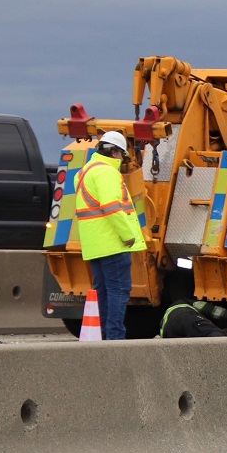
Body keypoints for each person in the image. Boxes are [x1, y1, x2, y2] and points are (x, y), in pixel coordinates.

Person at [73, 130, 146, 340]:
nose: (123, 159)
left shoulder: (84, 171)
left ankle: (104, 336)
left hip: (95, 244)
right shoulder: (106, 172)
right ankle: (115, 338)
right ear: (114, 151)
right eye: (122, 154)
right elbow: (111, 206)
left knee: (104, 291)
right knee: (119, 290)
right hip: (113, 242)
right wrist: (128, 235)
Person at [160, 301, 227, 338]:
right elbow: (211, 310)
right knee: (216, 336)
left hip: (167, 330)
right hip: (183, 316)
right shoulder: (191, 304)